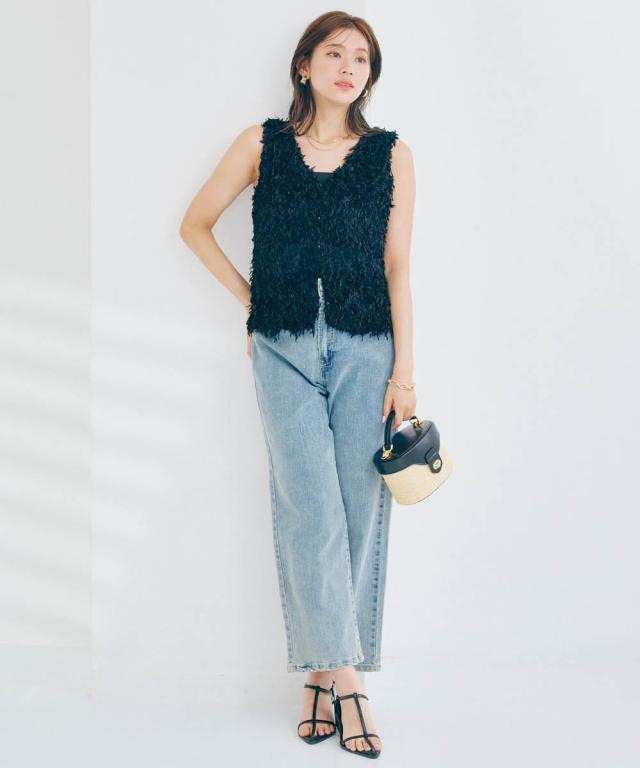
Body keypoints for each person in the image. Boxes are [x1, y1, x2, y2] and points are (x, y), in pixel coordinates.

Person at [180, 11, 416, 758]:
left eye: (362, 58)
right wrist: (252, 302)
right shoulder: (262, 145)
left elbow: (397, 267)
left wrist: (406, 373)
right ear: (304, 66)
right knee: (310, 509)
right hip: (281, 347)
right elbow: (195, 224)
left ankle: (320, 674)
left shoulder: (391, 154)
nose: (349, 67)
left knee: (358, 511)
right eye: (334, 53)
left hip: (367, 348)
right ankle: (351, 683)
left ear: (369, 76)